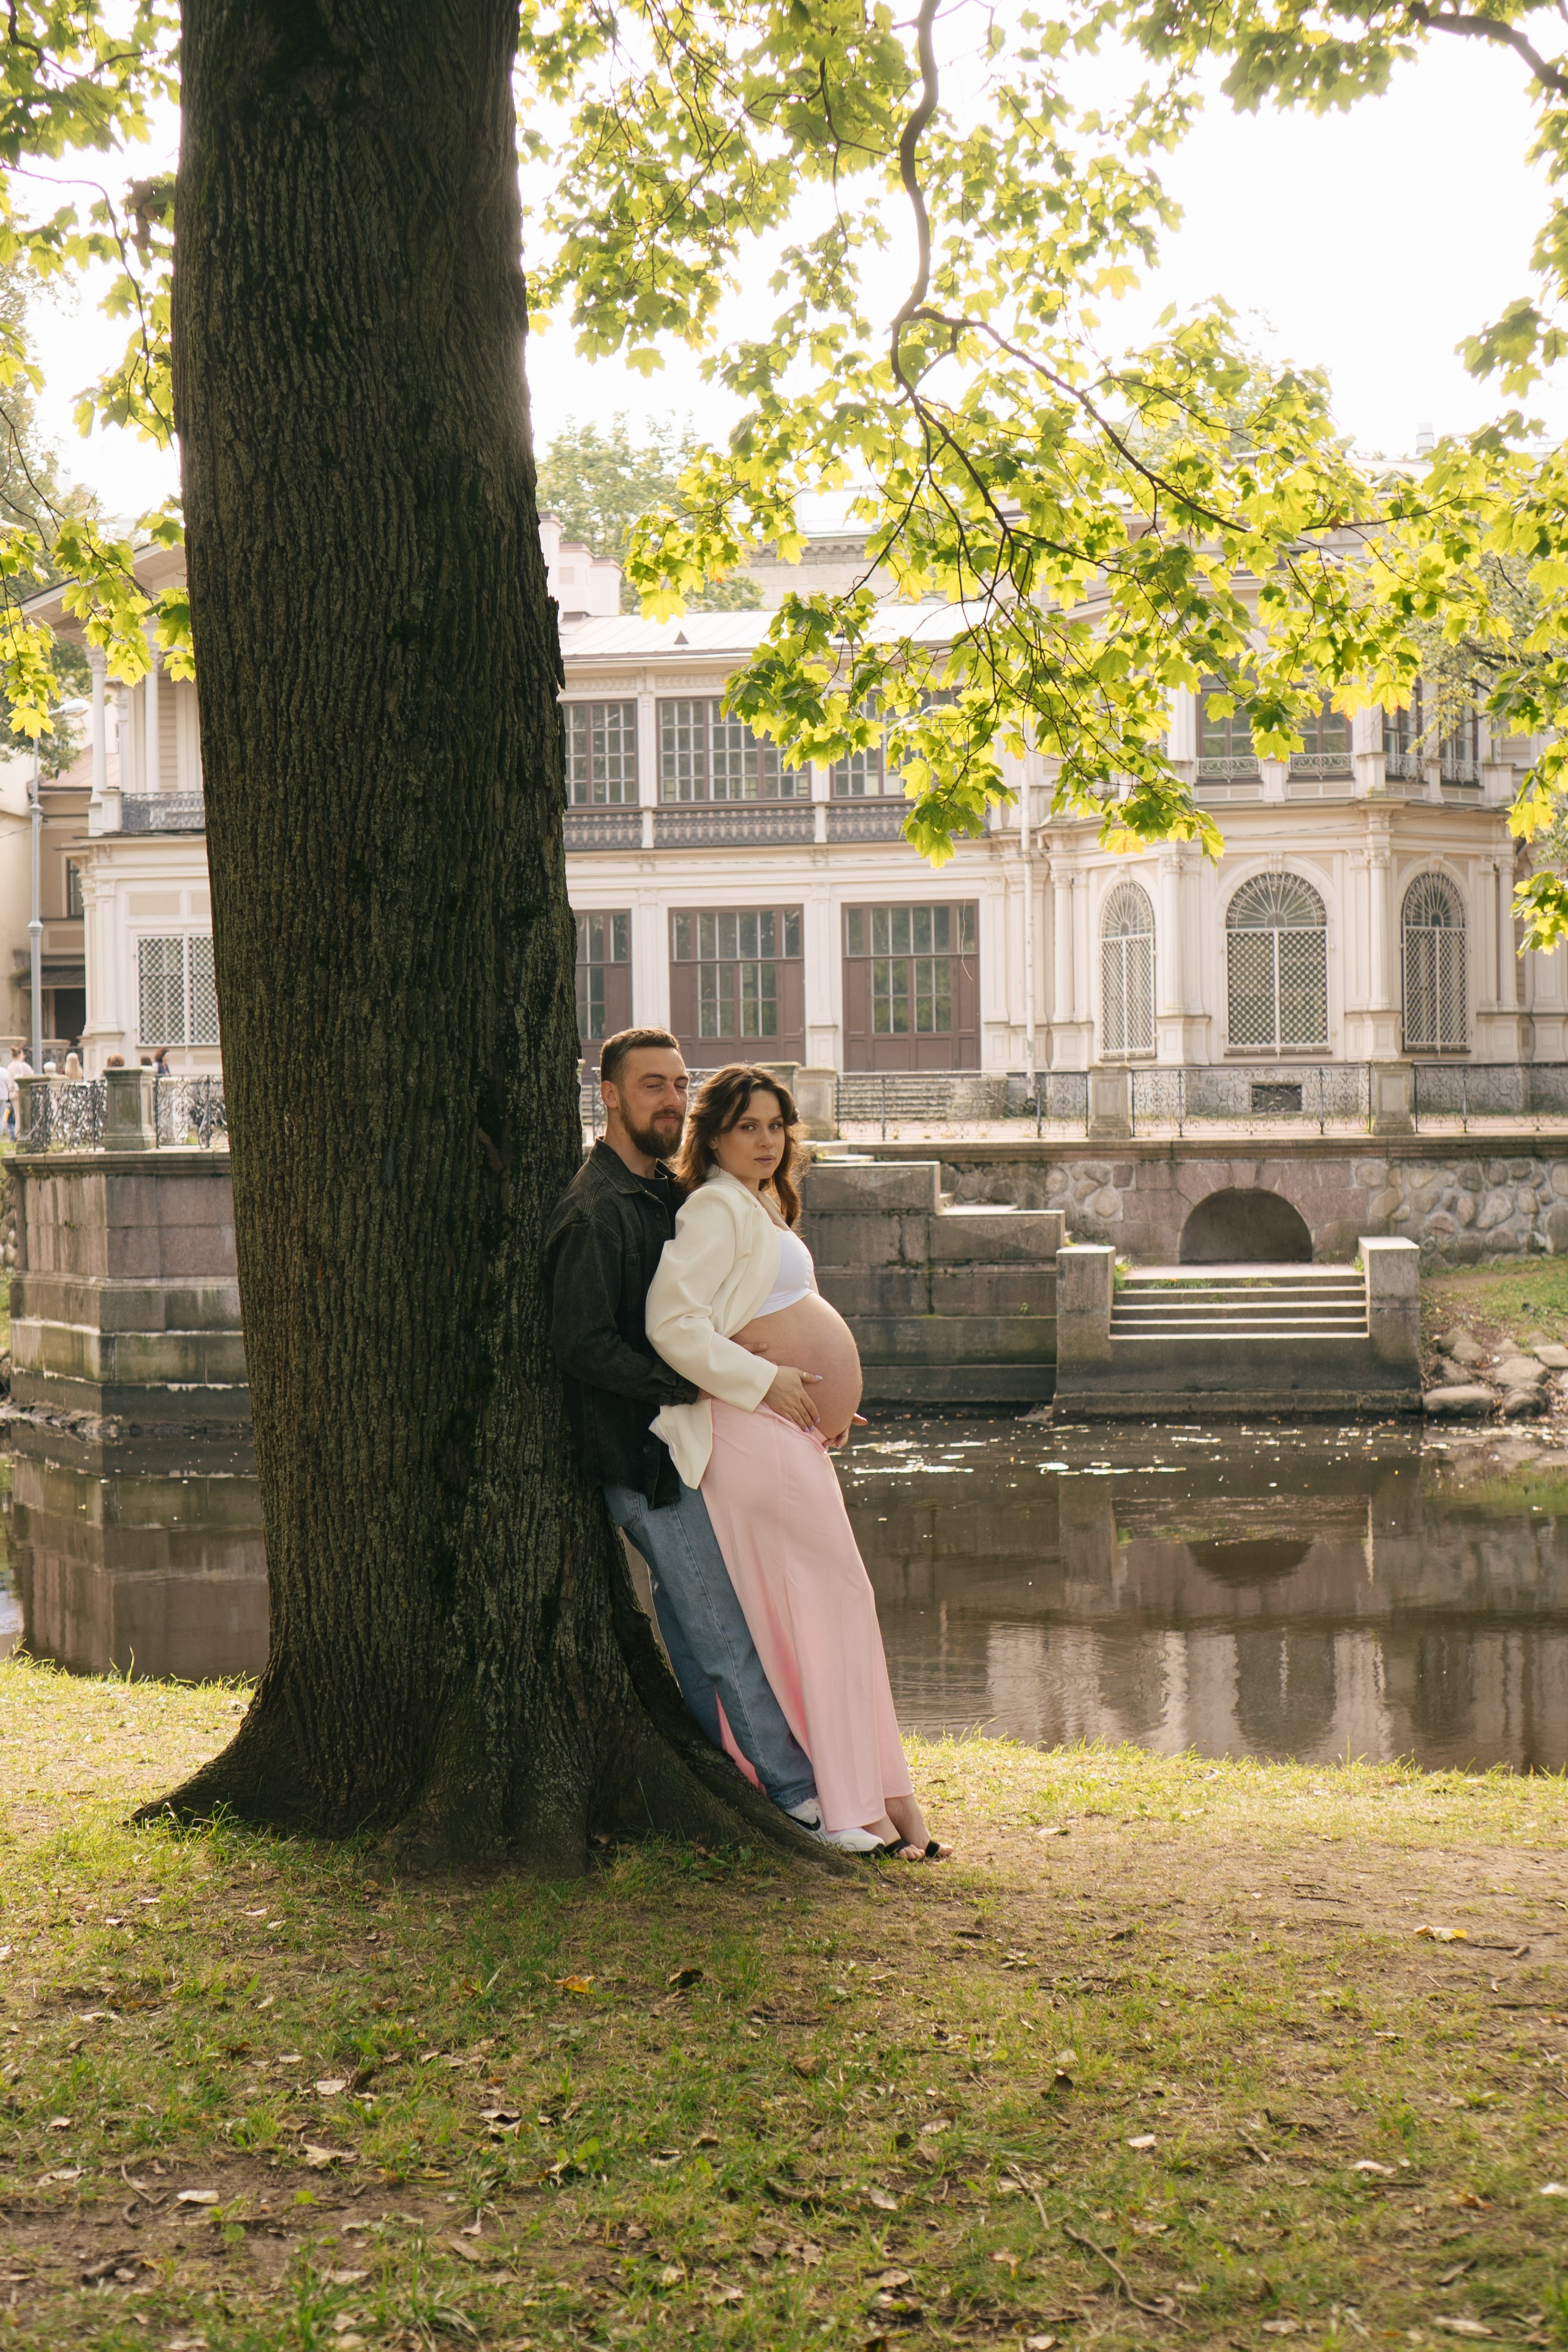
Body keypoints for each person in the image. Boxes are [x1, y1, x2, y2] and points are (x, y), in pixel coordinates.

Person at [646, 1065, 950, 1863]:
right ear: (712, 1136)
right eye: (748, 1125)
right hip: (747, 1431)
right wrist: (772, 1379)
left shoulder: (760, 1207)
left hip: (784, 1431)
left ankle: (890, 1809)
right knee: (821, 1605)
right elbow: (672, 1327)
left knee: (834, 1603)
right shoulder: (712, 1210)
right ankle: (847, 1805)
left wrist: (826, 1393)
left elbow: (763, 1313)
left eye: (777, 1125)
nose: (767, 1139)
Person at [543, 1027, 828, 1838]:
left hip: (699, 1443)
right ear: (608, 1095)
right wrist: (696, 1377)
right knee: (720, 1628)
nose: (670, 1099)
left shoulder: (670, 1194)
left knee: (694, 1618)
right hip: (642, 1459)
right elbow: (582, 1344)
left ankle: (725, 1767)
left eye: (678, 1084)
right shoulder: (594, 1210)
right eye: (649, 1086)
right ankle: (795, 1797)